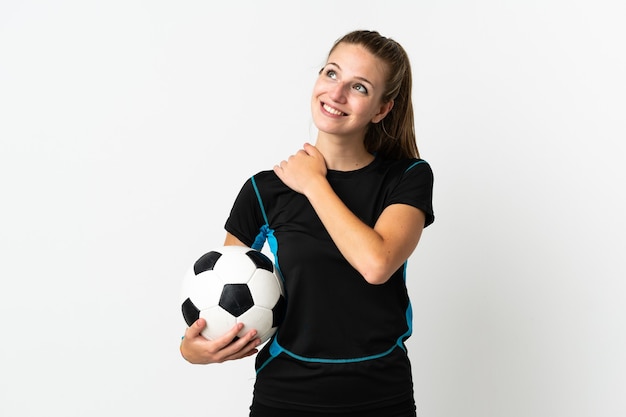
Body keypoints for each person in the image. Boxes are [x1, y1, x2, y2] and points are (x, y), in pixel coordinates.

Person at [180, 29, 435, 417]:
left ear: (382, 110)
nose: (336, 93)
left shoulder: (407, 178)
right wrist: (192, 349)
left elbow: (377, 264)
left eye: (360, 87)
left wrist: (313, 183)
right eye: (331, 73)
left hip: (382, 397)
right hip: (285, 398)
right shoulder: (264, 191)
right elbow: (224, 300)